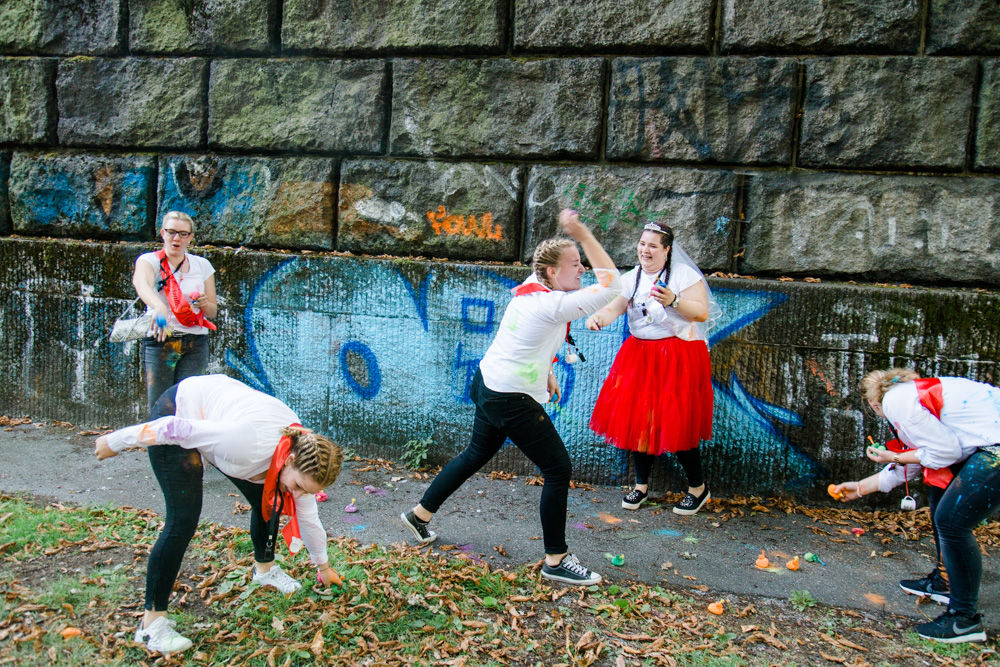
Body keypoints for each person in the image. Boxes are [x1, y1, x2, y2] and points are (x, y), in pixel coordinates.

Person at [400, 209, 622, 585]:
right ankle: (556, 559)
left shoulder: (534, 287)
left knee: (475, 454)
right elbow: (613, 286)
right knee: (557, 469)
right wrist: (582, 233)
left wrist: (548, 369)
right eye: (574, 263)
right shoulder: (553, 303)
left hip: (489, 383)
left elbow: (530, 336)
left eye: (581, 262)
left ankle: (419, 515)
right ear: (553, 272)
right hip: (509, 398)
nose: (582, 268)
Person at [94, 374, 343, 655]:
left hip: (220, 419)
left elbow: (309, 519)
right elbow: (174, 428)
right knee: (183, 520)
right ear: (290, 458)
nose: (298, 495)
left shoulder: (297, 457)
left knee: (272, 500)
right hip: (181, 411)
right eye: (298, 486)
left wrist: (323, 568)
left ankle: (265, 571)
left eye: (306, 491)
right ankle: (151, 627)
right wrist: (116, 441)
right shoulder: (245, 444)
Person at [832, 368, 1000, 644]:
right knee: (940, 495)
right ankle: (945, 582)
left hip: (995, 448)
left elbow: (945, 453)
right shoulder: (912, 393)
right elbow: (918, 459)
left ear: (874, 404)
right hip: (988, 443)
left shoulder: (896, 403)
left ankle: (964, 620)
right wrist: (862, 487)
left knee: (952, 521)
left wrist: (894, 456)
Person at [586, 221, 717, 515]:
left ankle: (698, 488)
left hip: (678, 354)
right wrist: (599, 318)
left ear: (667, 250)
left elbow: (702, 312)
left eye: (653, 245)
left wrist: (674, 300)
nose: (645, 250)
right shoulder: (631, 278)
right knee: (640, 418)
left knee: (678, 420)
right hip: (640, 353)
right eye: (643, 244)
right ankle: (641, 486)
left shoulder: (683, 275)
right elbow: (615, 307)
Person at [133, 211, 217, 414]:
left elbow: (212, 312)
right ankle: (159, 446)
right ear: (162, 233)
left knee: (190, 404)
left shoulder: (202, 265)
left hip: (195, 342)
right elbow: (141, 284)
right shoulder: (150, 261)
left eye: (183, 234)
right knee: (161, 404)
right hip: (162, 338)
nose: (176, 238)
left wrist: (204, 303)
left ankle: (184, 446)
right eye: (171, 232)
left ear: (191, 237)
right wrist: (159, 307)